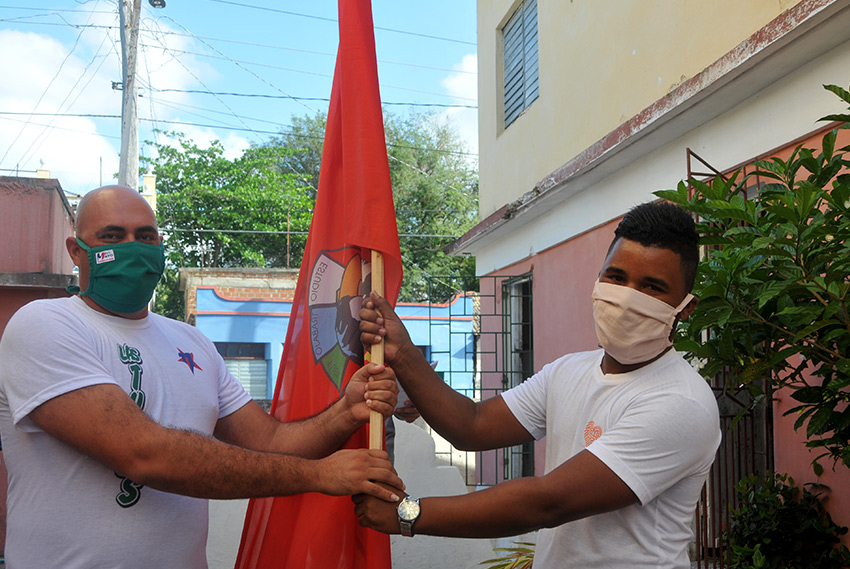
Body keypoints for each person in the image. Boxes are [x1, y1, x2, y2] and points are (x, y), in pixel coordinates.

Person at [0, 185, 403, 568]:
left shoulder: (191, 341)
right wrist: (320, 474)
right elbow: (144, 454)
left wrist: (347, 410)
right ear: (76, 250)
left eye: (146, 236)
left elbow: (273, 442)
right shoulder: (44, 324)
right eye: (111, 236)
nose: (133, 248)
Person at [354, 201, 722, 569]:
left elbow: (547, 503)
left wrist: (408, 514)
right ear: (598, 280)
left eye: (652, 287)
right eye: (616, 277)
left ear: (685, 308)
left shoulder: (680, 402)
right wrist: (401, 351)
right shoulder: (569, 372)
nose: (627, 297)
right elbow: (473, 426)